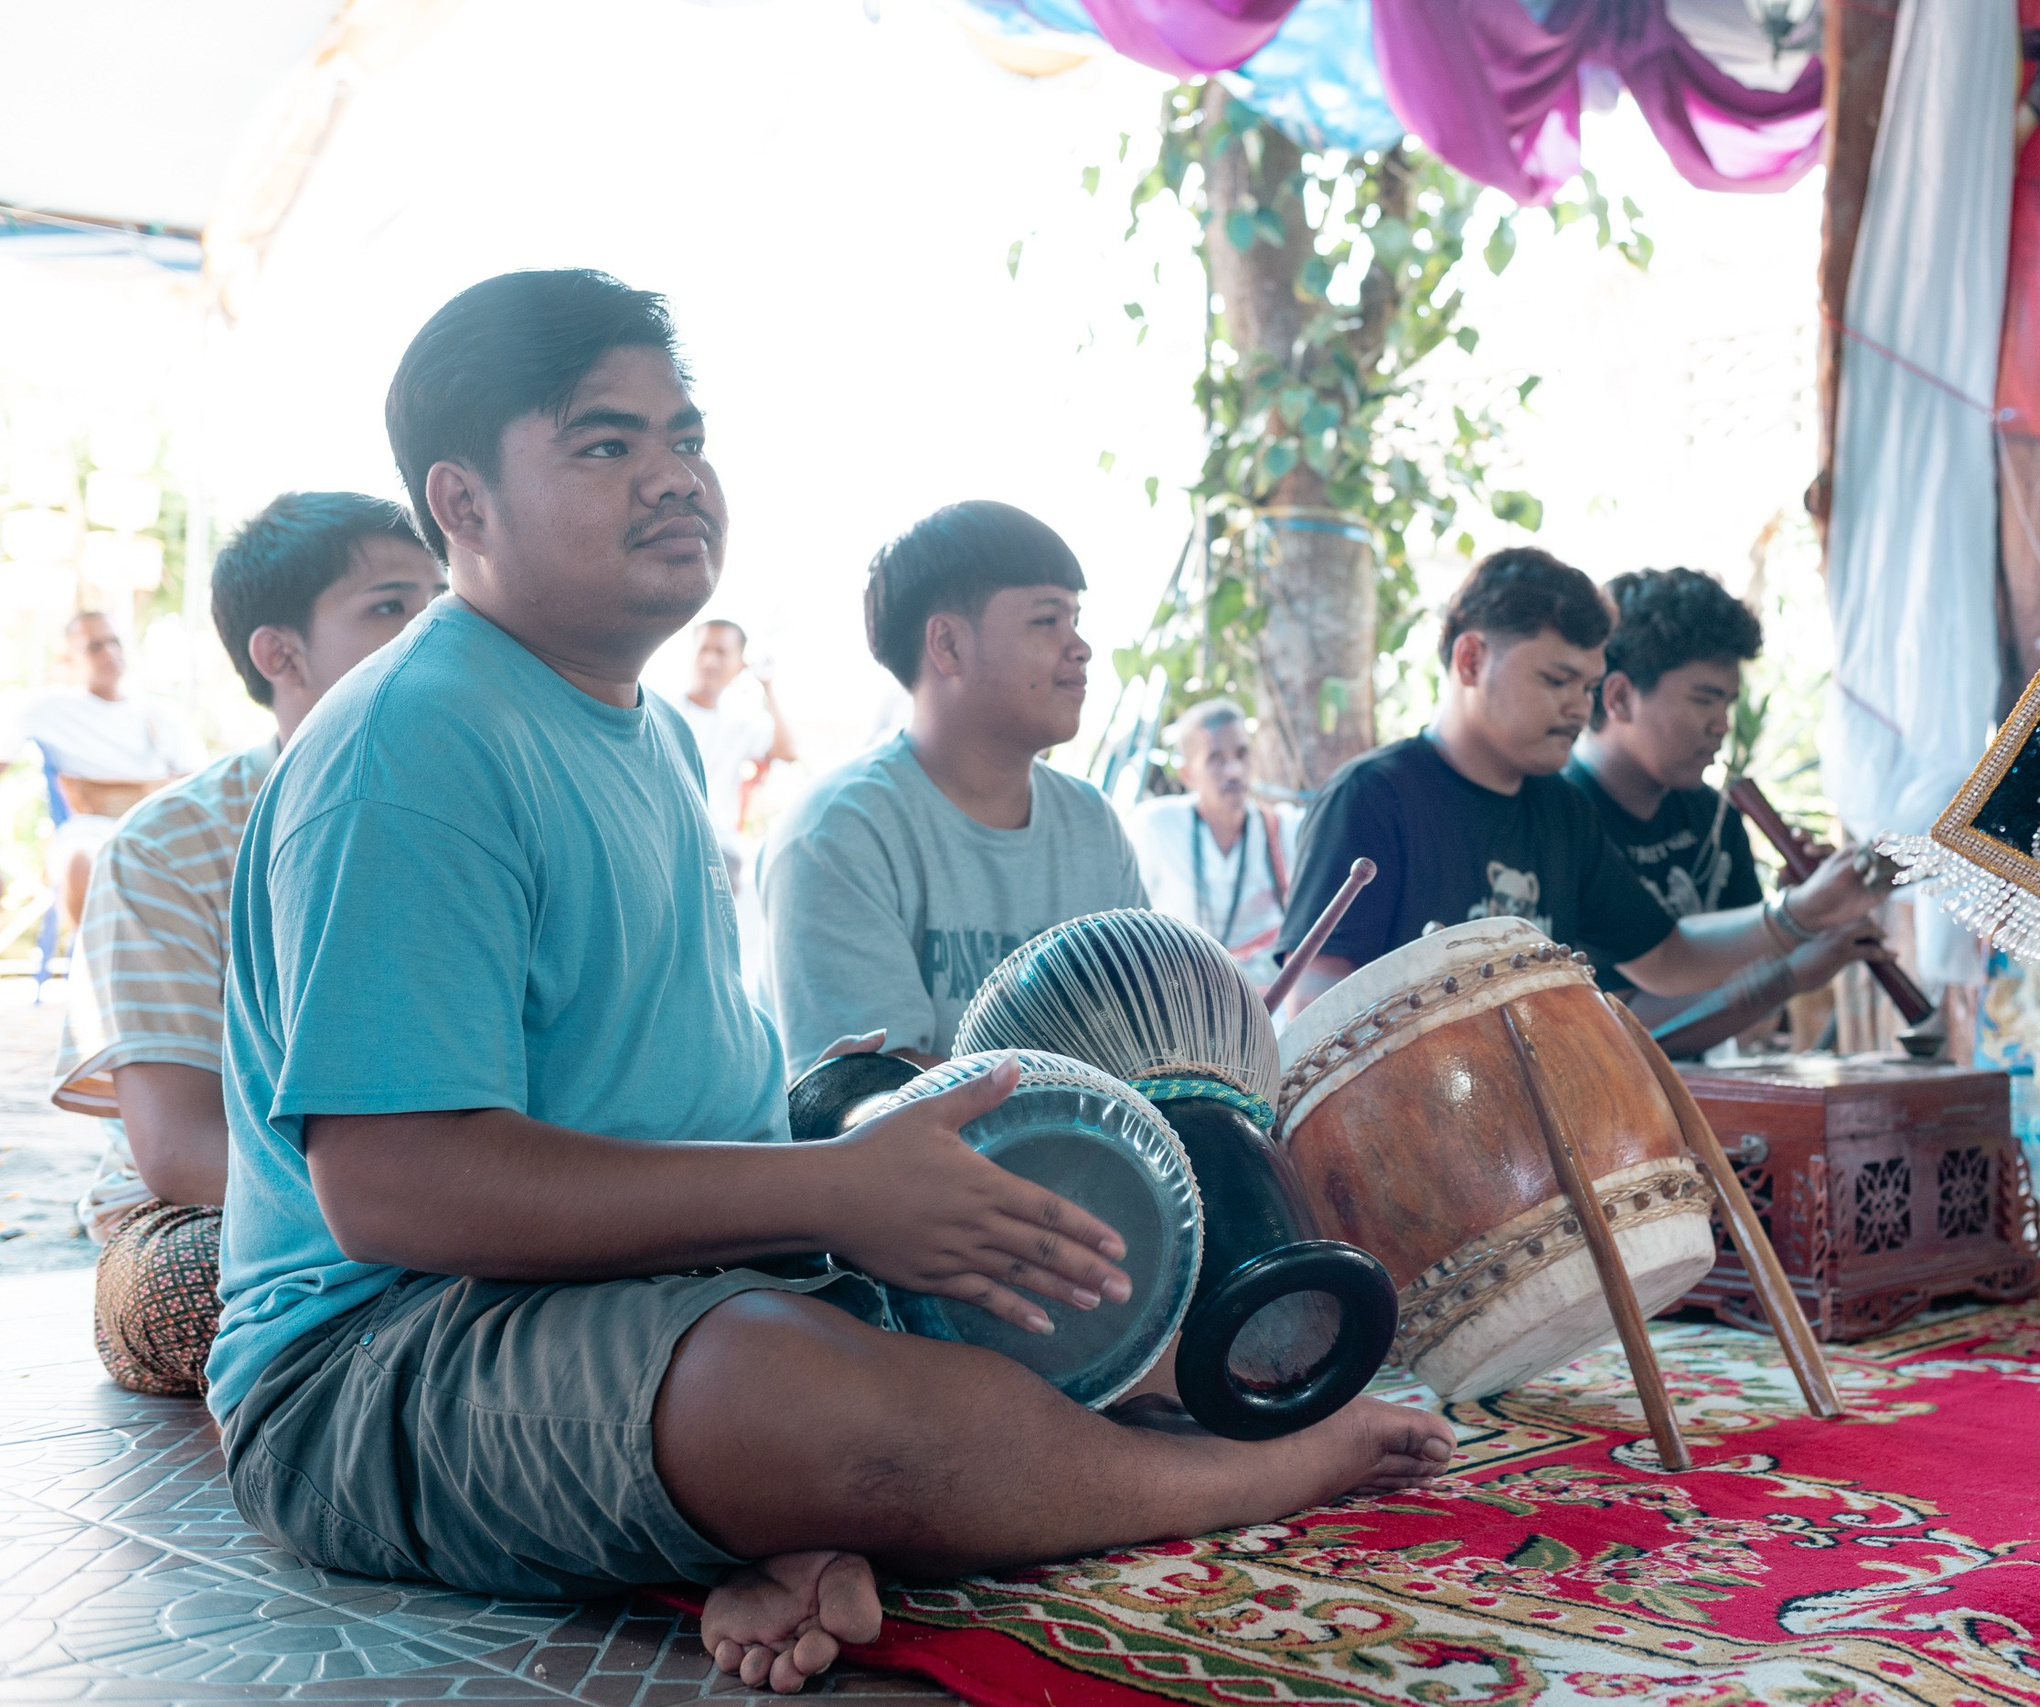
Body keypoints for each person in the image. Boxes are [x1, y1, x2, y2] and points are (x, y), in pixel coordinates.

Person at [213, 271, 1451, 1697]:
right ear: (464, 502)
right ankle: (1217, 1478)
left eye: (686, 436)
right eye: (607, 445)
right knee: (808, 1399)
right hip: (381, 1354)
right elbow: (396, 1191)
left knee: (1040, 1250)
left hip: (659, 1283)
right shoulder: (413, 742)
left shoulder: (656, 737)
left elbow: (679, 1100)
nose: (676, 477)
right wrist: (829, 1193)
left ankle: (760, 1531)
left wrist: (871, 1164)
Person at [51, 492, 443, 1397]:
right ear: (280, 653)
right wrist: (432, 1207)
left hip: (475, 1197)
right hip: (226, 1216)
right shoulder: (169, 846)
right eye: (390, 607)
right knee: (175, 1290)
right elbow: (179, 1147)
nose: (433, 634)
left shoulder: (490, 807)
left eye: (440, 600)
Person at [1277, 548, 1888, 1016]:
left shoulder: (1562, 813)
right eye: (1555, 679)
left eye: (1588, 686)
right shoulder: (1373, 799)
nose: (1578, 707)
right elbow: (1316, 1000)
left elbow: (1668, 959)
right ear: (1471, 661)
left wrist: (1804, 913)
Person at [759, 500, 1151, 1070]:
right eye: (1047, 620)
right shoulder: (839, 833)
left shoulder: (1092, 823)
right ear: (946, 645)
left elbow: (1150, 1032)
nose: (1081, 648)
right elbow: (882, 1096)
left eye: (1076, 619)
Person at [1567, 567, 1876, 1047]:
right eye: (1703, 700)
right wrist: (1789, 960)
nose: (1721, 726)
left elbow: (1755, 1019)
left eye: (1728, 705)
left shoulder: (1713, 816)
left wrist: (1800, 916)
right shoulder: (1559, 821)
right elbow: (1620, 1031)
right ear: (1620, 697)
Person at [8, 612, 205, 935]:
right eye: (94, 646)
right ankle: (97, 969)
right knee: (78, 862)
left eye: (114, 642)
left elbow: (200, 787)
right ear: (69, 660)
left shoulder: (164, 714)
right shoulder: (45, 709)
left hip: (161, 827)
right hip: (91, 829)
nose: (109, 653)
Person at [1124, 698, 1300, 988]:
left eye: (1242, 754)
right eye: (1216, 759)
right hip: (1182, 999)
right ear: (1187, 775)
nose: (1233, 771)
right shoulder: (1156, 825)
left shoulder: (1283, 827)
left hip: (1270, 1004)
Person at [678, 616, 795, 876]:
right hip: (670, 839)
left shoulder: (741, 722)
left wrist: (768, 685)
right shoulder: (662, 710)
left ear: (741, 664)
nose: (710, 661)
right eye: (703, 649)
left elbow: (788, 752)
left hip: (719, 847)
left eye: (721, 652)